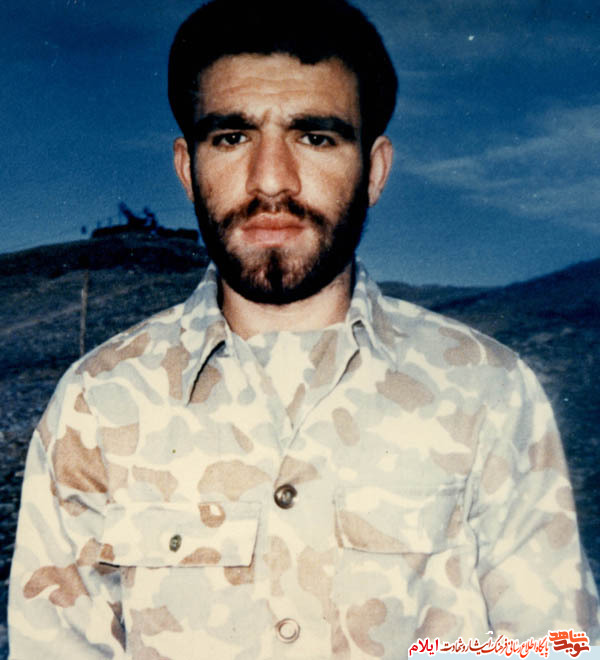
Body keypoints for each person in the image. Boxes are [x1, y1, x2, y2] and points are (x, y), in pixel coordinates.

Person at [8, 0, 599, 657]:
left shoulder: (489, 394)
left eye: (315, 137)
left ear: (374, 170)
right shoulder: (94, 406)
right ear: (186, 169)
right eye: (231, 137)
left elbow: (556, 646)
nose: (271, 180)